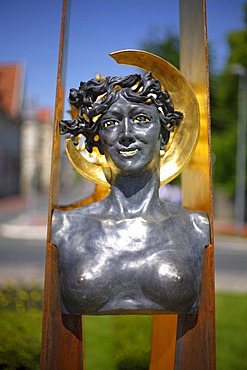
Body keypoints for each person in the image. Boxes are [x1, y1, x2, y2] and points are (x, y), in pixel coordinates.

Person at [51, 72, 210, 315]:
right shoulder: (64, 227)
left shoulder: (197, 227)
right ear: (99, 140)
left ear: (163, 136)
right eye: (110, 123)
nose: (126, 134)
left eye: (141, 119)